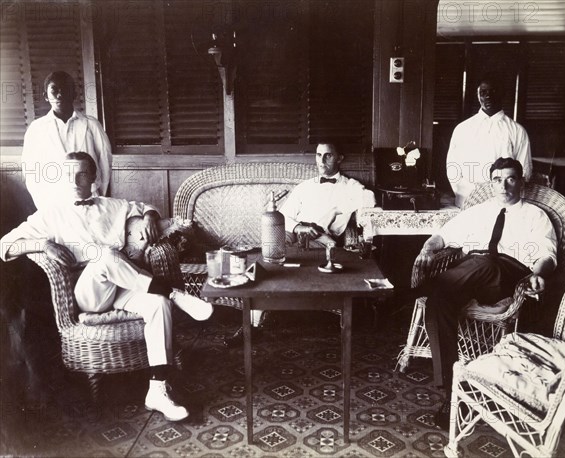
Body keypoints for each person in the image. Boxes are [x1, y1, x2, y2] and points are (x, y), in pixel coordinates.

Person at [0, 152, 213, 421]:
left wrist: (149, 216)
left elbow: (144, 206)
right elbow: (4, 245)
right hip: (87, 293)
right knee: (105, 255)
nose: (75, 181)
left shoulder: (113, 205)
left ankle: (158, 390)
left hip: (122, 285)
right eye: (69, 175)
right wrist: (42, 244)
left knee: (157, 305)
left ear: (94, 177)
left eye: (82, 174)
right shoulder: (51, 214)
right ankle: (173, 293)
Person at [415, 157, 557, 430]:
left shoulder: (536, 216)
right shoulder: (477, 212)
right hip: (467, 277)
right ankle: (452, 395)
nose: (504, 185)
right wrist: (426, 250)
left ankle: (426, 286)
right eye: (497, 179)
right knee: (438, 303)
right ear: (491, 183)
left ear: (521, 182)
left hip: (505, 274)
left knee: (485, 262)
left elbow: (546, 254)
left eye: (511, 178)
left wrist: (539, 273)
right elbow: (441, 236)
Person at [224, 143, 376, 347]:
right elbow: (283, 216)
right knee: (266, 262)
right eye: (318, 155)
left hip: (323, 241)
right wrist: (298, 228)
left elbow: (370, 204)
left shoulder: (352, 188)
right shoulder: (305, 187)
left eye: (328, 156)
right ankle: (252, 326)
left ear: (339, 158)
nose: (321, 161)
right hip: (294, 235)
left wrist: (335, 215)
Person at [22, 71, 112, 210]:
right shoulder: (36, 129)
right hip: (53, 202)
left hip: (88, 199)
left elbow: (105, 162)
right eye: (54, 91)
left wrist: (97, 194)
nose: (60, 95)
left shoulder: (91, 125)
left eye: (65, 90)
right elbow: (30, 170)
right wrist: (43, 203)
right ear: (46, 96)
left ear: (74, 94)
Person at [446, 74, 532, 208]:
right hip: (468, 201)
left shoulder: (517, 131)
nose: (488, 96)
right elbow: (453, 167)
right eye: (483, 92)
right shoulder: (462, 129)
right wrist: (470, 194)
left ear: (502, 94)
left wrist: (502, 193)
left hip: (505, 202)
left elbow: (524, 170)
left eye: (493, 92)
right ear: (477, 95)